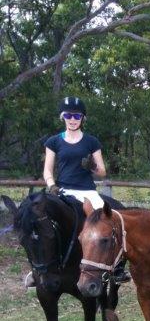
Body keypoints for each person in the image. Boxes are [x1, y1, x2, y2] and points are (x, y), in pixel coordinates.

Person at [29, 96, 129, 287]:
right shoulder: (53, 141)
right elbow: (47, 170)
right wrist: (51, 186)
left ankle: (117, 267)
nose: (72, 119)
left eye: (77, 116)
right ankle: (37, 269)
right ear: (63, 117)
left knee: (108, 221)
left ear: (82, 118)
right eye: (68, 115)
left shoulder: (91, 141)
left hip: (87, 192)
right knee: (41, 223)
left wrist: (92, 166)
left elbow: (102, 171)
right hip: (62, 189)